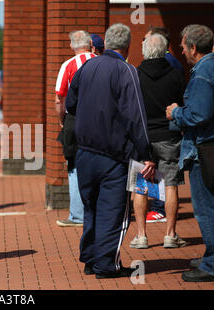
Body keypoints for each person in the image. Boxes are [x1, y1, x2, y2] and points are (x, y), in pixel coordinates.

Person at [66, 23, 155, 279]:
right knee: (113, 211)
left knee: (92, 208)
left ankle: (91, 258)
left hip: (85, 152)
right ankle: (106, 264)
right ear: (127, 46)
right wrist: (146, 153)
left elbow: (71, 104)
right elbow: (136, 116)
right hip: (113, 154)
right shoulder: (126, 70)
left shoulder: (86, 67)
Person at [166, 24, 214, 282]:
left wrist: (176, 113)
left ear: (194, 48)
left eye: (183, 46)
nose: (181, 50)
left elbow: (199, 114)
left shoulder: (204, 71)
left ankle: (211, 264)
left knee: (206, 209)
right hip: (207, 148)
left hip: (204, 149)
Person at [130, 33, 187, 250]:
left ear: (144, 51)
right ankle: (170, 235)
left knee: (141, 186)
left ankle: (141, 236)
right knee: (171, 185)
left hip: (143, 138)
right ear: (164, 51)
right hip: (169, 137)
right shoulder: (175, 75)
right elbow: (181, 105)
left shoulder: (135, 75)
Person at [55, 30, 96, 227]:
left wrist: (62, 119)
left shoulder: (68, 65)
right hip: (101, 120)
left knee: (74, 166)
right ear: (90, 44)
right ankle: (98, 212)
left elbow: (59, 98)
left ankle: (78, 215)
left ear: (71, 45)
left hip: (75, 118)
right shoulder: (102, 61)